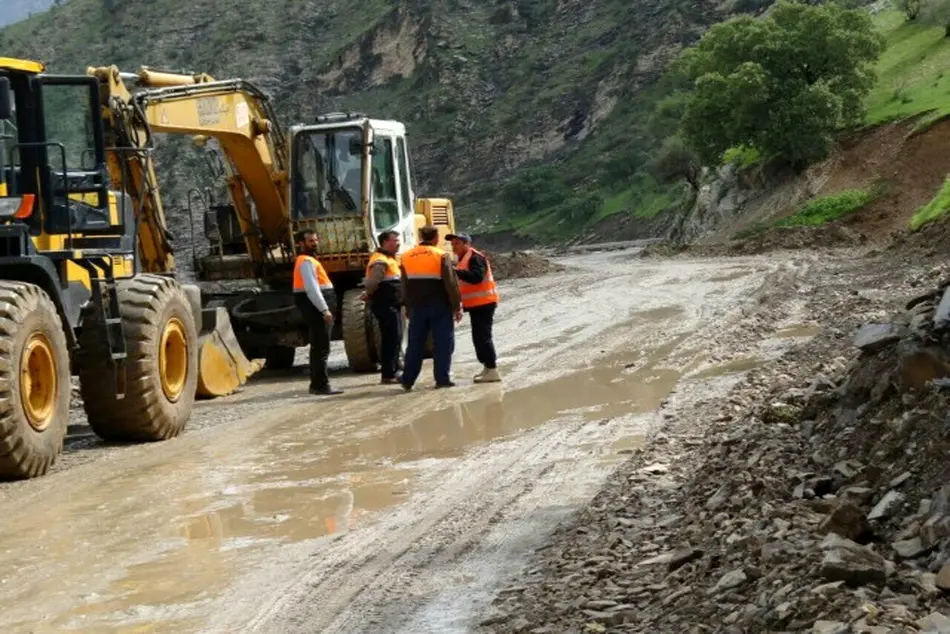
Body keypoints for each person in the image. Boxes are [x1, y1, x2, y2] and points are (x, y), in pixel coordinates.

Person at [399, 225, 462, 391]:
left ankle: (407, 380)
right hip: (439, 305)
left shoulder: (406, 256)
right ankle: (442, 379)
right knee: (442, 342)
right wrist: (456, 306)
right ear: (436, 238)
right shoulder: (441, 255)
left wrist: (407, 306)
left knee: (415, 344)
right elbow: (450, 284)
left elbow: (404, 285)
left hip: (417, 307)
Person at [292, 229, 343, 396]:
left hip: (314, 307)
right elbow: (312, 289)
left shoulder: (307, 260)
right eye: (310, 241)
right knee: (321, 347)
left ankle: (317, 384)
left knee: (318, 346)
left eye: (315, 240)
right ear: (300, 243)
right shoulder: (306, 261)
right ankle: (321, 384)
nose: (315, 243)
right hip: (316, 309)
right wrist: (325, 310)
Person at [448, 232, 501, 383]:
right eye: (452, 244)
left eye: (457, 244)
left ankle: (492, 370)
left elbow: (477, 278)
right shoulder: (463, 259)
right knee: (478, 338)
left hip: (484, 303)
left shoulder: (475, 257)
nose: (454, 247)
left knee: (483, 337)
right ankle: (487, 367)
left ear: (466, 244)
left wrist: (456, 272)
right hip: (477, 304)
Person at [362, 229, 403, 384]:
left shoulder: (389, 258)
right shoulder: (380, 260)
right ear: (386, 242)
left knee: (395, 337)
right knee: (391, 338)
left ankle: (393, 370)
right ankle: (388, 374)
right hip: (386, 305)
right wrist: (368, 293)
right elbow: (373, 282)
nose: (398, 243)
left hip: (392, 304)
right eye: (395, 240)